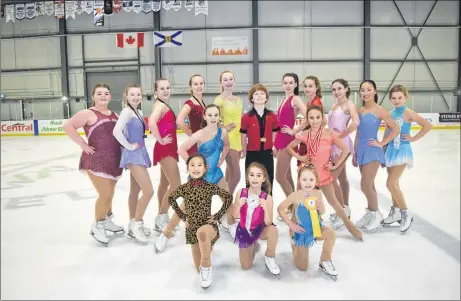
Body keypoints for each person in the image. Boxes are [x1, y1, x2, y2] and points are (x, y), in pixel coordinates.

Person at [287, 105, 363, 240]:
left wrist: (334, 165)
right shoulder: (305, 134)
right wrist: (300, 157)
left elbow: (345, 150)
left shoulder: (329, 133)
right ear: (307, 119)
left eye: (317, 117)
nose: (315, 121)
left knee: (334, 202)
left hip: (323, 173)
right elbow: (289, 147)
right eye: (311, 118)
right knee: (300, 200)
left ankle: (350, 226)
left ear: (322, 117)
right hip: (308, 175)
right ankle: (294, 225)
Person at [160, 153, 233, 289]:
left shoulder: (209, 187)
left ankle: (207, 264)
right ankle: (206, 249)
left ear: (205, 168)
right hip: (192, 229)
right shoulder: (185, 188)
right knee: (197, 266)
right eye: (192, 165)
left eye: (199, 165)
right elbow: (171, 199)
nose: (196, 168)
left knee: (202, 234)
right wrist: (183, 217)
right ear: (187, 168)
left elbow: (228, 198)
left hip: (207, 225)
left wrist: (217, 216)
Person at [63, 83, 124, 246]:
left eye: (106, 93)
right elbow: (67, 125)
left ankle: (107, 219)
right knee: (106, 194)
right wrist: (82, 144)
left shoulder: (115, 115)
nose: (103, 96)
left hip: (114, 160)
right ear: (93, 96)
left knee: (110, 193)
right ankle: (98, 224)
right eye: (99, 93)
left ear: (110, 96)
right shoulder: (87, 113)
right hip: (95, 160)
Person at [382, 84, 432, 233]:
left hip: (402, 150)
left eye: (400, 97)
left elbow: (427, 125)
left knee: (390, 184)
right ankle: (395, 211)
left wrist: (413, 138)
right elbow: (386, 133)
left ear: (405, 98)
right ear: (390, 99)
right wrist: (383, 151)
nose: (397, 100)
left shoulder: (409, 113)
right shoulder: (390, 114)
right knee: (394, 183)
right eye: (394, 98)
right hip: (390, 151)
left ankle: (405, 213)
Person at [353, 80, 400, 233]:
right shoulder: (359, 110)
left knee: (365, 185)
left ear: (374, 91)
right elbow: (358, 134)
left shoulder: (380, 110)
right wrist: (355, 152)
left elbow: (395, 128)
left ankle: (376, 214)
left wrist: (382, 142)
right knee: (370, 185)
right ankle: (370, 212)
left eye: (368, 89)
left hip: (373, 150)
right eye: (362, 90)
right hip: (361, 150)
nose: (365, 93)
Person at [277, 164, 338, 280]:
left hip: (316, 228)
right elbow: (280, 208)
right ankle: (294, 245)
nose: (308, 183)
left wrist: (321, 209)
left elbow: (323, 212)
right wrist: (290, 224)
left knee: (330, 233)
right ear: (299, 180)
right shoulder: (295, 196)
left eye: (311, 179)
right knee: (302, 267)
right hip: (302, 232)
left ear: (316, 181)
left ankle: (325, 260)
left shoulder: (318, 193)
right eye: (304, 179)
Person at [112, 84, 153, 245]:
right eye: (132, 95)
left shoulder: (139, 112)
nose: (136, 97)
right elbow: (116, 131)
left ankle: (131, 224)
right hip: (133, 155)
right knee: (149, 191)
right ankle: (138, 223)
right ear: (126, 96)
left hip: (140, 152)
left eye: (138, 94)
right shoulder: (126, 112)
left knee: (135, 191)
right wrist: (128, 146)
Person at [231, 162, 280, 277]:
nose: (255, 178)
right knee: (245, 266)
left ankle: (270, 256)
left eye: (258, 175)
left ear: (263, 179)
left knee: (273, 230)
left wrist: (266, 209)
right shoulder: (241, 192)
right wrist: (238, 205)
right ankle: (255, 246)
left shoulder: (267, 198)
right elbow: (234, 215)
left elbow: (268, 222)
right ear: (247, 177)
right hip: (245, 231)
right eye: (252, 175)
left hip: (260, 230)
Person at [148, 78, 181, 232]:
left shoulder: (163, 104)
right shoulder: (160, 105)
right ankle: (161, 215)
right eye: (162, 88)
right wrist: (160, 140)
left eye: (168, 87)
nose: (166, 90)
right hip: (165, 149)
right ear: (156, 92)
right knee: (176, 185)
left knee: (164, 183)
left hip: (168, 147)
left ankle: (162, 214)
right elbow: (152, 122)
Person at [327, 79, 360, 230]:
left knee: (331, 179)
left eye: (339, 88)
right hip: (333, 144)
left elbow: (356, 122)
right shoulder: (334, 105)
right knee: (342, 177)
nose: (336, 92)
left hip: (343, 145)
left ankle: (342, 212)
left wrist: (343, 134)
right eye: (334, 89)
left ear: (346, 89)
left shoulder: (349, 105)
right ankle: (345, 208)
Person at [240, 84, 279, 187]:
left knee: (268, 181)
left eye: (262, 93)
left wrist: (274, 147)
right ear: (251, 98)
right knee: (251, 181)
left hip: (267, 153)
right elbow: (243, 137)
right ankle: (250, 202)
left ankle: (268, 202)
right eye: (256, 94)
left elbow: (275, 134)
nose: (259, 96)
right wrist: (244, 150)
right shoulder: (246, 117)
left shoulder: (272, 116)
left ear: (266, 98)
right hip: (252, 153)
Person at [214, 70, 243, 196]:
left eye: (231, 79)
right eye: (225, 80)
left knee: (229, 174)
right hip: (228, 140)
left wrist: (244, 142)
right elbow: (212, 119)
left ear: (234, 82)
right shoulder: (219, 100)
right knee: (236, 176)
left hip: (239, 140)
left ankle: (224, 206)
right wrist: (223, 128)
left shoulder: (239, 99)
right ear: (221, 83)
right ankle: (226, 204)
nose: (228, 82)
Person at [176, 74, 206, 155]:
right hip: (197, 144)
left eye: (201, 83)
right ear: (191, 87)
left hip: (205, 142)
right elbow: (179, 120)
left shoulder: (202, 102)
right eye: (196, 84)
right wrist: (192, 136)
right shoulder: (190, 103)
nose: (199, 86)